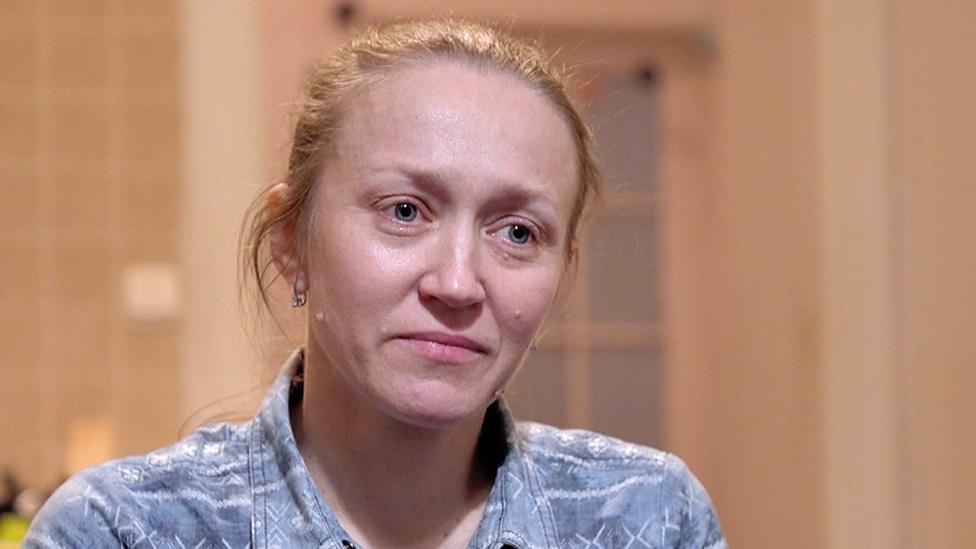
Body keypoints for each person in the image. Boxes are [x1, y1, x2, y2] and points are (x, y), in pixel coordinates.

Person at [25, 20, 725, 548]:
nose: (457, 282)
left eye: (517, 232)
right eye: (405, 211)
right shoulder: (125, 529)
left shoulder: (643, 517)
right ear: (290, 240)